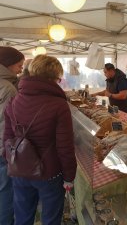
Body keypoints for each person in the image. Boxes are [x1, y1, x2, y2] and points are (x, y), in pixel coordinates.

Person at [3, 54, 77, 225]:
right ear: (53, 77)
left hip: (19, 170)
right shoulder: (59, 105)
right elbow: (64, 147)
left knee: (22, 217)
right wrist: (69, 177)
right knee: (51, 218)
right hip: (49, 173)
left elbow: (7, 138)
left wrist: (10, 162)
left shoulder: (14, 100)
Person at [0, 46, 25, 225]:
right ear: (8, 65)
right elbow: (11, 124)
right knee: (5, 192)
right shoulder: (8, 88)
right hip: (2, 149)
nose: (21, 69)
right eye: (19, 65)